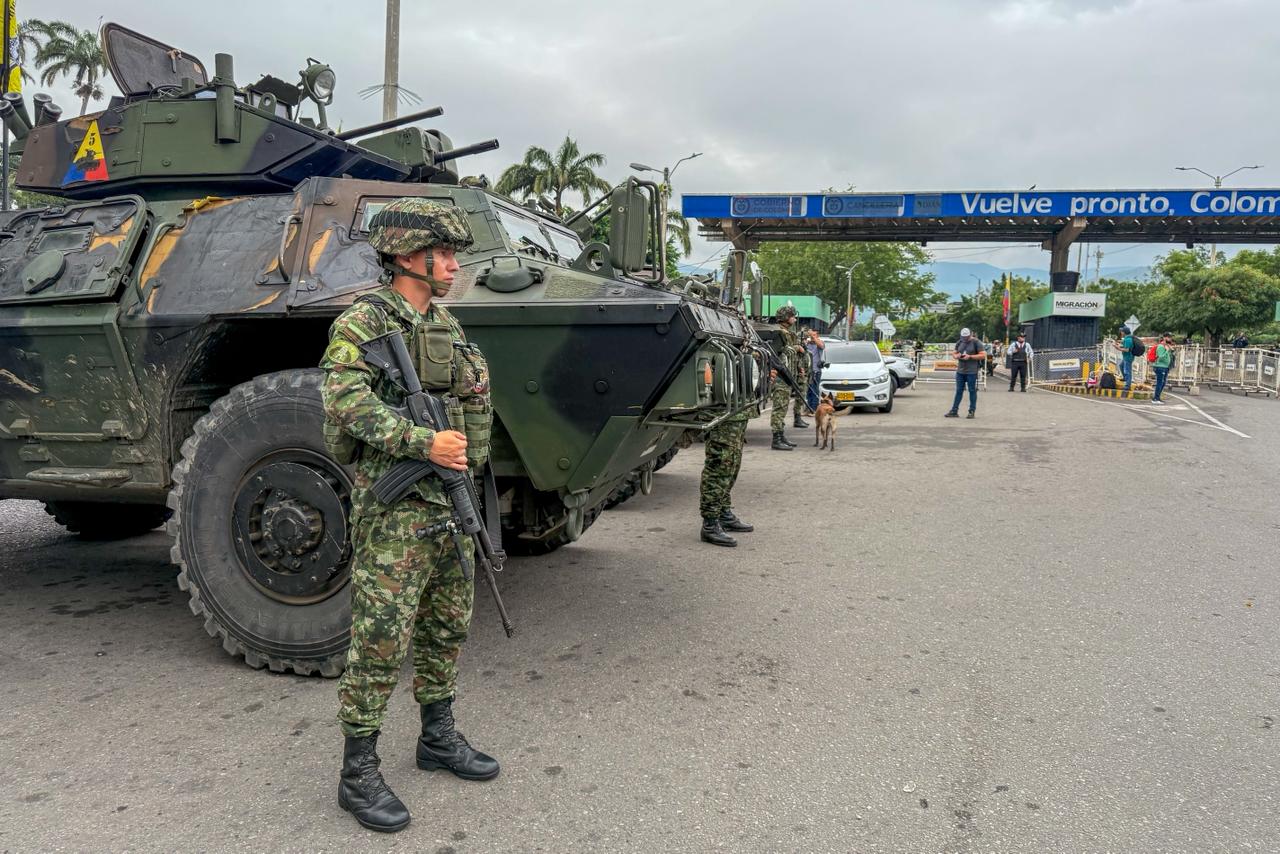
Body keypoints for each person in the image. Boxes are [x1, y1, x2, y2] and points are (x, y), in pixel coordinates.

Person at [321, 198, 499, 833]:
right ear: (406, 255)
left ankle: (437, 735)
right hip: (397, 506)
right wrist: (420, 442)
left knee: (448, 624)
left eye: (453, 254)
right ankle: (358, 770)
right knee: (379, 636)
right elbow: (343, 400)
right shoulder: (364, 322)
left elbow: (470, 397)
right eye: (443, 253)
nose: (453, 265)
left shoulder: (444, 323)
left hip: (450, 499)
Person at [698, 410, 752, 547]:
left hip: (737, 411)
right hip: (722, 412)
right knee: (720, 466)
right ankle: (710, 524)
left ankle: (723, 514)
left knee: (732, 465)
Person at [769, 305, 802, 450]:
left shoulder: (787, 333)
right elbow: (774, 354)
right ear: (786, 317)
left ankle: (781, 436)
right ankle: (776, 439)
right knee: (779, 408)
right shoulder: (778, 333)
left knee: (782, 408)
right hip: (781, 377)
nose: (794, 318)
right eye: (792, 316)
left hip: (787, 376)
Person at [945, 328, 984, 418]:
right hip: (960, 371)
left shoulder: (976, 342)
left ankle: (971, 411)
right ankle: (954, 411)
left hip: (972, 371)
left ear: (970, 334)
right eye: (963, 337)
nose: (965, 339)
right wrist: (956, 356)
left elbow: (983, 355)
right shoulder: (960, 341)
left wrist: (970, 356)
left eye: (966, 337)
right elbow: (954, 353)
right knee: (958, 391)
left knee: (972, 391)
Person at [802, 326, 826, 413]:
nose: (811, 337)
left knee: (814, 390)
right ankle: (808, 408)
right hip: (807, 371)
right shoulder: (807, 344)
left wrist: (814, 337)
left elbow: (821, 346)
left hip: (816, 371)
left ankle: (814, 409)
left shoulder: (819, 343)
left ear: (817, 336)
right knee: (808, 391)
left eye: (814, 335)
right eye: (811, 335)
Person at [1114, 326, 1140, 391]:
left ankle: (1127, 386)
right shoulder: (1127, 338)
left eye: (1122, 331)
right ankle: (1125, 378)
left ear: (1124, 332)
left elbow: (1127, 350)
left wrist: (1118, 348)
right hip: (1126, 357)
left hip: (1128, 357)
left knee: (1127, 371)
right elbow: (1125, 345)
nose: (1121, 332)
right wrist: (1119, 344)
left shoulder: (1128, 339)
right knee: (1121, 366)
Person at [1151, 333, 1174, 404]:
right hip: (1160, 366)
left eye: (1171, 337)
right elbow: (1161, 357)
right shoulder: (1161, 347)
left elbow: (1168, 356)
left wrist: (1170, 350)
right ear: (1164, 338)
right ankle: (1156, 398)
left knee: (1163, 383)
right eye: (1169, 337)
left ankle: (1157, 397)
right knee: (1160, 383)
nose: (1170, 339)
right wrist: (1167, 350)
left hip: (1165, 367)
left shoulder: (1166, 346)